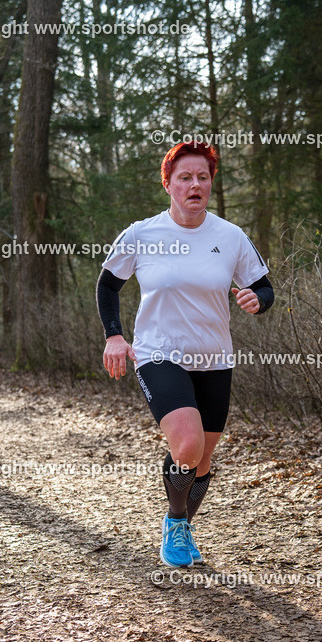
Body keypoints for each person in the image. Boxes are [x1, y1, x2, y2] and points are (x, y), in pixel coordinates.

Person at [96, 141, 274, 567]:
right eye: (185, 178)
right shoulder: (142, 234)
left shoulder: (230, 236)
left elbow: (264, 286)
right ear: (168, 185)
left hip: (214, 358)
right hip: (159, 354)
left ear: (210, 184)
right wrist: (114, 336)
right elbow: (107, 285)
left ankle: (182, 527)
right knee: (188, 447)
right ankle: (176, 523)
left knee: (204, 459)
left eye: (203, 177)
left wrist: (257, 299)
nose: (195, 185)